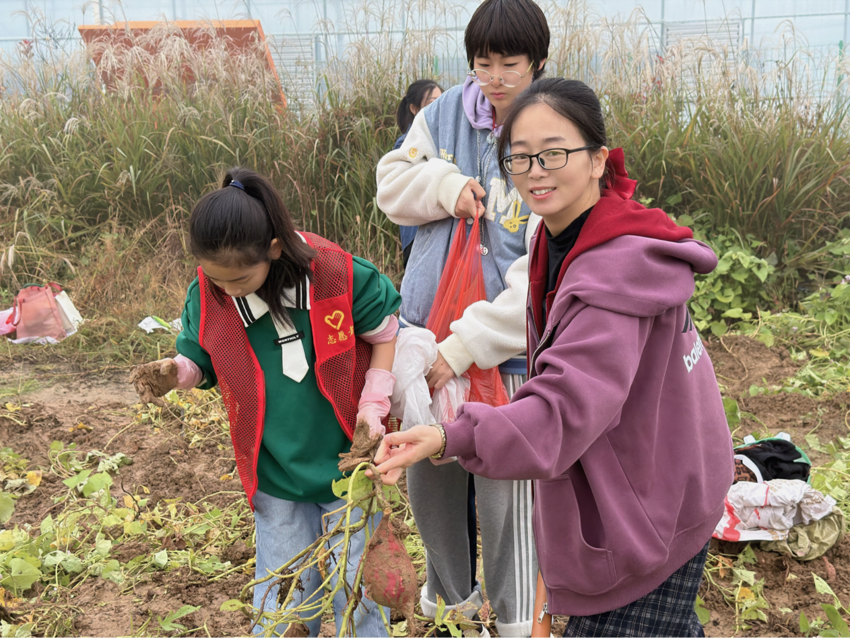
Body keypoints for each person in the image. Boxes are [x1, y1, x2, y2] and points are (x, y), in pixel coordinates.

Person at [373, 78, 734, 637]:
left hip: (651, 517)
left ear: (597, 160)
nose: (536, 170)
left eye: (554, 153)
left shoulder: (613, 273)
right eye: (519, 157)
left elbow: (560, 411)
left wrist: (449, 436)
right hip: (662, 481)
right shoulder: (565, 234)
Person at [130, 167, 401, 638]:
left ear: (274, 249)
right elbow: (200, 358)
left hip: (350, 462)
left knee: (355, 588)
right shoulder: (211, 292)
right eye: (217, 279)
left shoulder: (335, 274)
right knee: (283, 587)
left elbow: (385, 333)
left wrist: (373, 406)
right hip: (275, 468)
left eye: (240, 278)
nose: (229, 289)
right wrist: (175, 373)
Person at [375, 1, 549, 636]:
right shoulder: (442, 115)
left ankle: (511, 618)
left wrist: (470, 342)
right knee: (433, 489)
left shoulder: (547, 134)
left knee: (506, 500)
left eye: (511, 64)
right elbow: (390, 182)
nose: (496, 78)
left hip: (500, 355)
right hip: (427, 338)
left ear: (538, 64)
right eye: (483, 64)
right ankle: (453, 605)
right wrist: (445, 186)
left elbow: (539, 275)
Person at [393, 79, 443, 268]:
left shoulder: (440, 138)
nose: (439, 107)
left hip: (434, 233)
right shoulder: (406, 144)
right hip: (417, 235)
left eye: (441, 100)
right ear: (414, 108)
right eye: (432, 102)